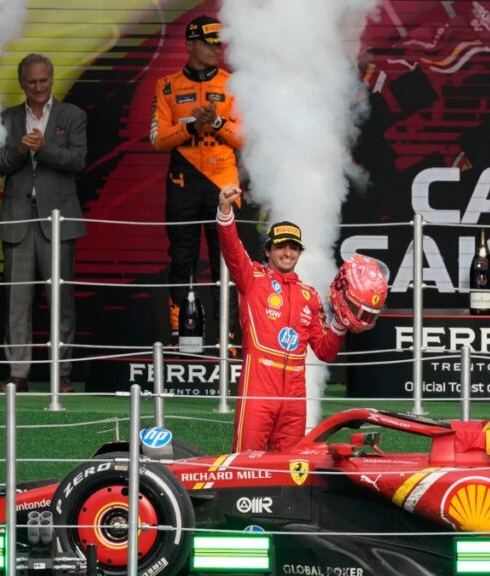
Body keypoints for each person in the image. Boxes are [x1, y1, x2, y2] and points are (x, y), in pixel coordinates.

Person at [216, 185, 386, 452]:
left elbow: (325, 351)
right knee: (246, 463)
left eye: (294, 247)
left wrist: (341, 322)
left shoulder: (310, 296)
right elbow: (231, 249)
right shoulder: (252, 279)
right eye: (281, 246)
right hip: (259, 387)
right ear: (268, 250)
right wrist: (225, 211)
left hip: (295, 395)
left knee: (290, 468)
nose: (288, 252)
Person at [0, 53, 87, 393]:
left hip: (58, 220)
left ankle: (60, 374)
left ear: (52, 79)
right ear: (22, 83)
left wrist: (45, 148)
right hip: (17, 219)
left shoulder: (72, 115)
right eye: (31, 81)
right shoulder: (6, 119)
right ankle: (17, 374)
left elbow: (78, 160)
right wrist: (21, 150)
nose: (38, 87)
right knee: (16, 303)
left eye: (43, 81)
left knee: (59, 301)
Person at [150, 15, 243, 338]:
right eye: (209, 44)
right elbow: (158, 139)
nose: (217, 49)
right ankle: (183, 334)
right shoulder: (167, 85)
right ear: (190, 45)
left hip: (223, 181)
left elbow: (247, 138)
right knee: (182, 256)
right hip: (183, 180)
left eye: (219, 43)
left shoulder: (233, 85)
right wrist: (191, 125)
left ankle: (228, 336)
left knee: (227, 260)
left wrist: (217, 124)